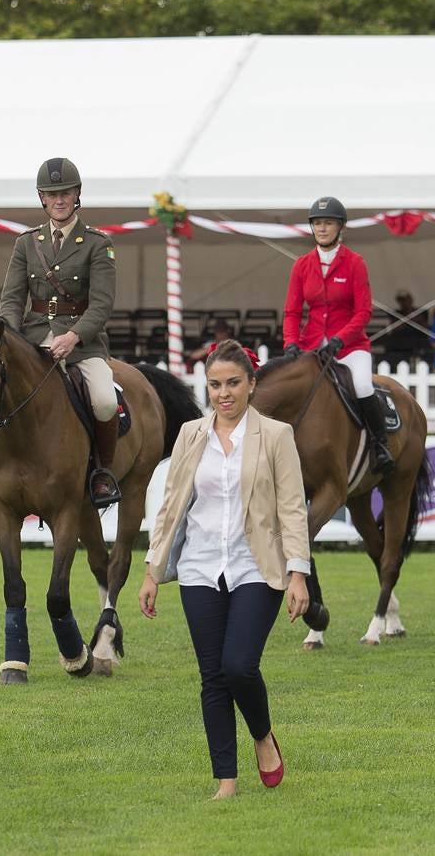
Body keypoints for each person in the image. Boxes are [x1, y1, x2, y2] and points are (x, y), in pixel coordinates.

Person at [138, 340, 311, 800]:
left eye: (233, 383)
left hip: (257, 567)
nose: (223, 393)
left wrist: (298, 573)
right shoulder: (190, 435)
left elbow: (293, 509)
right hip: (199, 569)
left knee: (239, 666)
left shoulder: (276, 435)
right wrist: (153, 570)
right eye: (215, 385)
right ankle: (226, 783)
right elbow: (171, 506)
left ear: (252, 384)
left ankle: (262, 735)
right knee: (212, 677)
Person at [0, 157, 120, 506]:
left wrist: (73, 336)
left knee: (105, 400)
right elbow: (10, 300)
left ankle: (101, 473)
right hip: (32, 340)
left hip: (82, 344)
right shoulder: (26, 243)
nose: (59, 200)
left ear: (77, 194)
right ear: (42, 198)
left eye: (65, 192)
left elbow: (101, 305)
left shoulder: (98, 244)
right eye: (52, 194)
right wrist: (11, 340)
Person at [281, 195, 393, 474]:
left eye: (328, 223)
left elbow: (363, 312)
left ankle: (380, 446)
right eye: (317, 223)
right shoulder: (301, 265)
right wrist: (291, 343)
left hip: (349, 346)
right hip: (310, 346)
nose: (321, 228)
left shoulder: (355, 263)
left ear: (340, 227)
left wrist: (341, 338)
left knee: (364, 386)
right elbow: (292, 312)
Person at [380, 290, 430, 369]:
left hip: (416, 342)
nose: (404, 302)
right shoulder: (396, 313)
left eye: (406, 299)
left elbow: (425, 328)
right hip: (400, 343)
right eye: (402, 300)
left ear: (411, 299)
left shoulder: (420, 312)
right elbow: (394, 328)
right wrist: (408, 318)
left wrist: (412, 317)